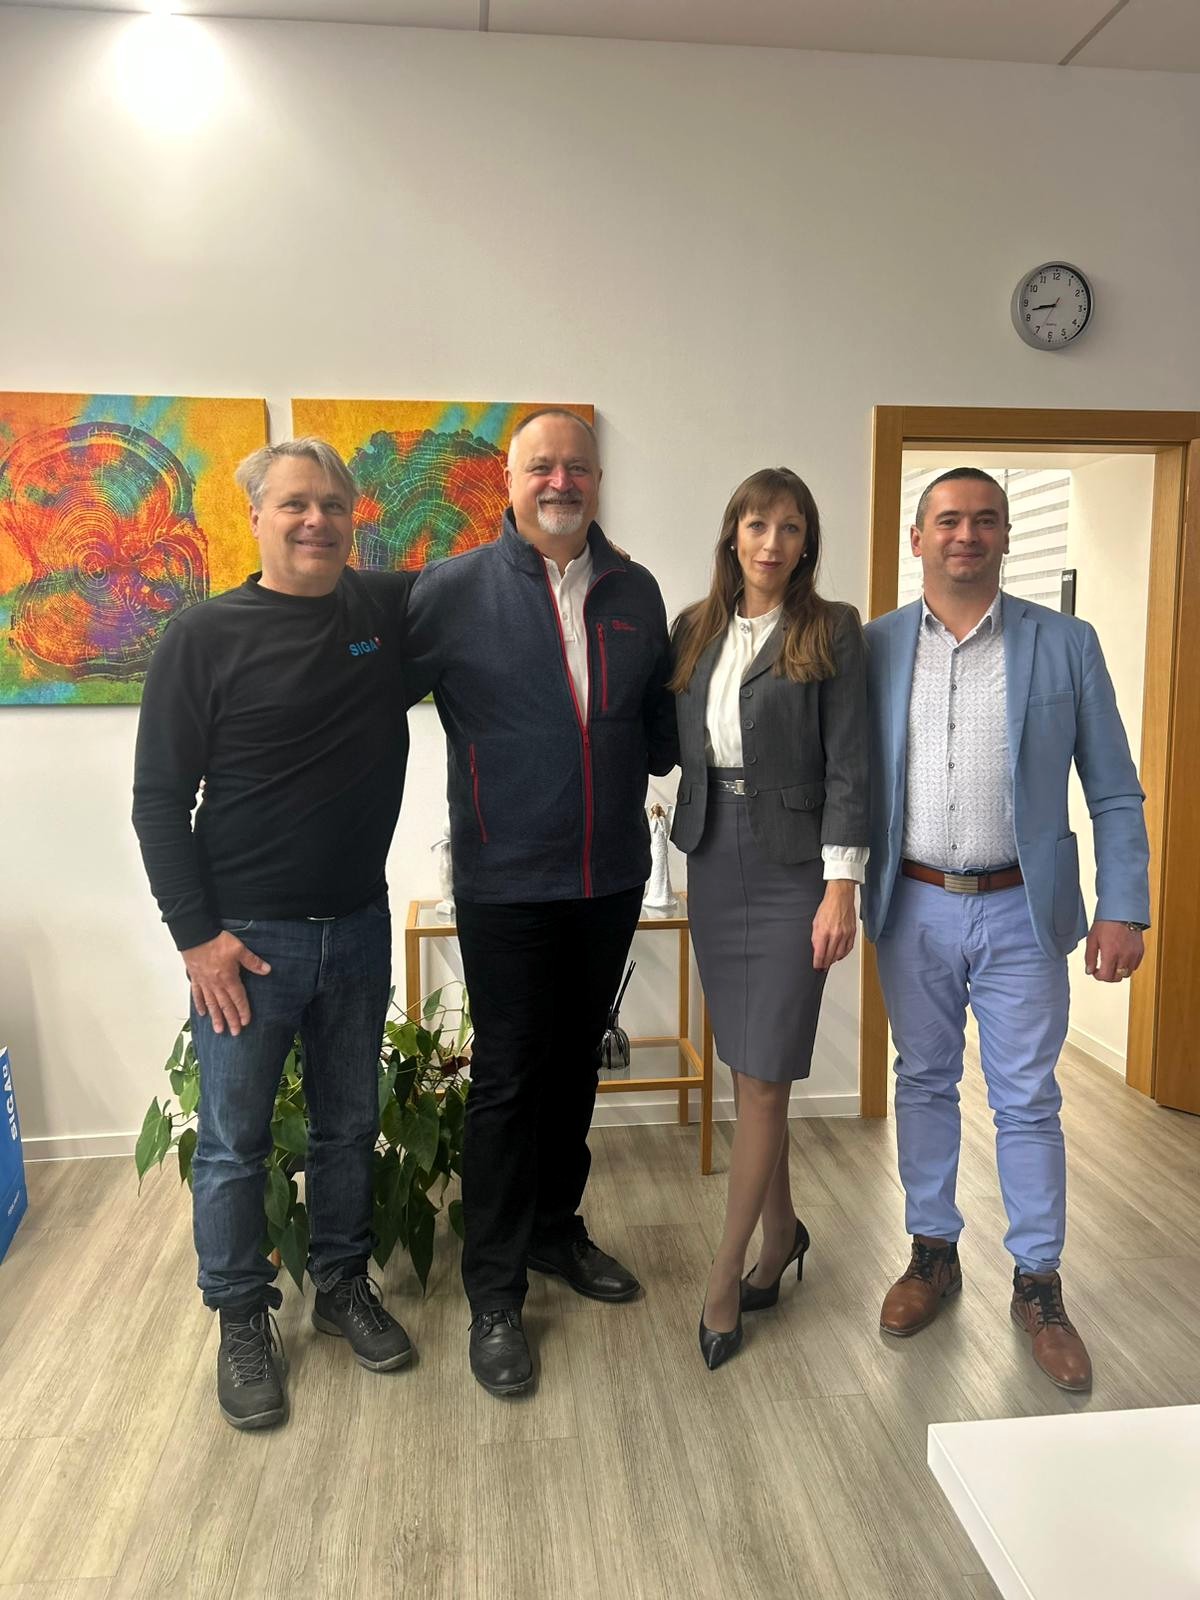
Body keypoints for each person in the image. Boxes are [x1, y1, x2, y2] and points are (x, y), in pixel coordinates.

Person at [132, 438, 415, 1431]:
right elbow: (158, 801)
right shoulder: (202, 635)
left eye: (334, 504)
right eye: (295, 503)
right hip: (248, 945)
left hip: (360, 926)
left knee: (348, 1126)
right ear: (253, 515)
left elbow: (489, 580)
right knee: (233, 1144)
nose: (316, 520)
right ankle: (242, 1317)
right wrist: (197, 939)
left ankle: (340, 1286)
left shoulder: (379, 612)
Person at [404, 409, 678, 1397]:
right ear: (509, 481)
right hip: (507, 881)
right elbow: (370, 703)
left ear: (598, 479)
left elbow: (659, 728)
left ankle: (556, 1231)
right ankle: (494, 1290)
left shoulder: (636, 590)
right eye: (542, 467)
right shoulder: (451, 591)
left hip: (610, 876)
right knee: (508, 1081)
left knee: (574, 1069)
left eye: (578, 467)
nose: (562, 481)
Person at [864, 466, 1150, 1391]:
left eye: (985, 520)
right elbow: (844, 781)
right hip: (912, 903)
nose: (967, 535)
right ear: (917, 538)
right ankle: (931, 1253)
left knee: (1027, 1098)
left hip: (1024, 909)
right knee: (923, 1080)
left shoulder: (1065, 645)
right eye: (948, 520)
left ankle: (1038, 1284)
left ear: (1005, 536)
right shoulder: (874, 648)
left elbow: (1113, 790)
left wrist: (1123, 904)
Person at [670, 467, 869, 1369]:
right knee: (749, 1064)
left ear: (806, 543)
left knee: (763, 1078)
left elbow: (850, 763)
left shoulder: (831, 629)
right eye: (757, 524)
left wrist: (841, 885)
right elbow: (661, 736)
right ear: (733, 534)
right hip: (713, 854)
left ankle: (726, 1275)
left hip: (796, 869)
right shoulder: (694, 629)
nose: (772, 543)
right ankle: (783, 1229)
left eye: (790, 528)